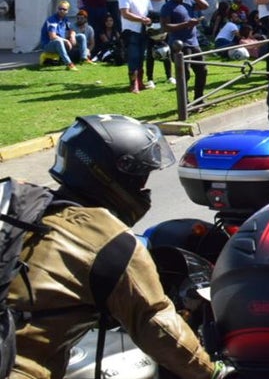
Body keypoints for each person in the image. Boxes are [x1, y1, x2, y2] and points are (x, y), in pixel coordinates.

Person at [9, 114, 227, 379]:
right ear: (111, 177)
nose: (144, 188)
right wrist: (213, 372)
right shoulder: (109, 241)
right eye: (140, 178)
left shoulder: (21, 206)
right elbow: (157, 325)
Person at [162, 0, 209, 103]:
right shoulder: (167, 6)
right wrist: (186, 24)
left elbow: (205, 5)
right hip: (179, 44)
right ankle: (184, 102)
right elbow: (165, 26)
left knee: (202, 70)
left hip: (194, 43)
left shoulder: (189, 2)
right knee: (184, 74)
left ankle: (199, 99)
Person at [120, 0, 153, 93]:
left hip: (143, 31)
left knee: (140, 58)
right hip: (130, 31)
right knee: (133, 57)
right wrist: (141, 19)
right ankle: (133, 85)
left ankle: (140, 82)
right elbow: (125, 13)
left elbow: (150, 12)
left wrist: (151, 20)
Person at [40, 1, 88, 69]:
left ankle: (84, 58)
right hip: (48, 44)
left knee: (81, 36)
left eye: (64, 9)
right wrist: (66, 40)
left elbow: (70, 30)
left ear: (67, 11)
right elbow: (52, 36)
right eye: (60, 9)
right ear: (57, 9)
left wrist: (72, 36)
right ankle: (69, 64)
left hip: (61, 41)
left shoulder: (65, 19)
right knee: (58, 41)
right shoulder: (52, 20)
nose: (61, 11)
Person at [144, 0, 174, 89]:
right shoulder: (147, 1)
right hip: (151, 32)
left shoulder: (165, 0)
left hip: (164, 31)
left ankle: (169, 76)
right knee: (150, 56)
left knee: (167, 53)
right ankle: (150, 79)